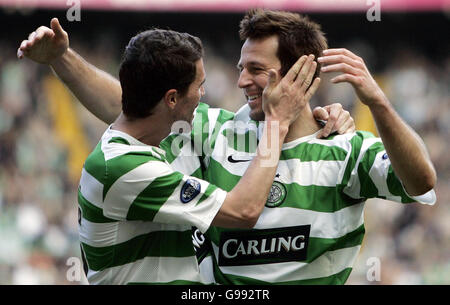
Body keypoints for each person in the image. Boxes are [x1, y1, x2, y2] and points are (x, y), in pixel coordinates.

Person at [18, 10, 423, 285]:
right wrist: (63, 59)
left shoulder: (346, 148)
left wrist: (379, 104)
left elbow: (421, 182)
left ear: (301, 73)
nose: (241, 81)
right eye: (240, 68)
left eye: (257, 71)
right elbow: (138, 107)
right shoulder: (217, 133)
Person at [38, 26, 321, 284]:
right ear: (172, 99)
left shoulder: (149, 137)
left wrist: (61, 57)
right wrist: (278, 123)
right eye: (199, 85)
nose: (204, 93)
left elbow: (119, 102)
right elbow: (243, 211)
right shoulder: (123, 167)